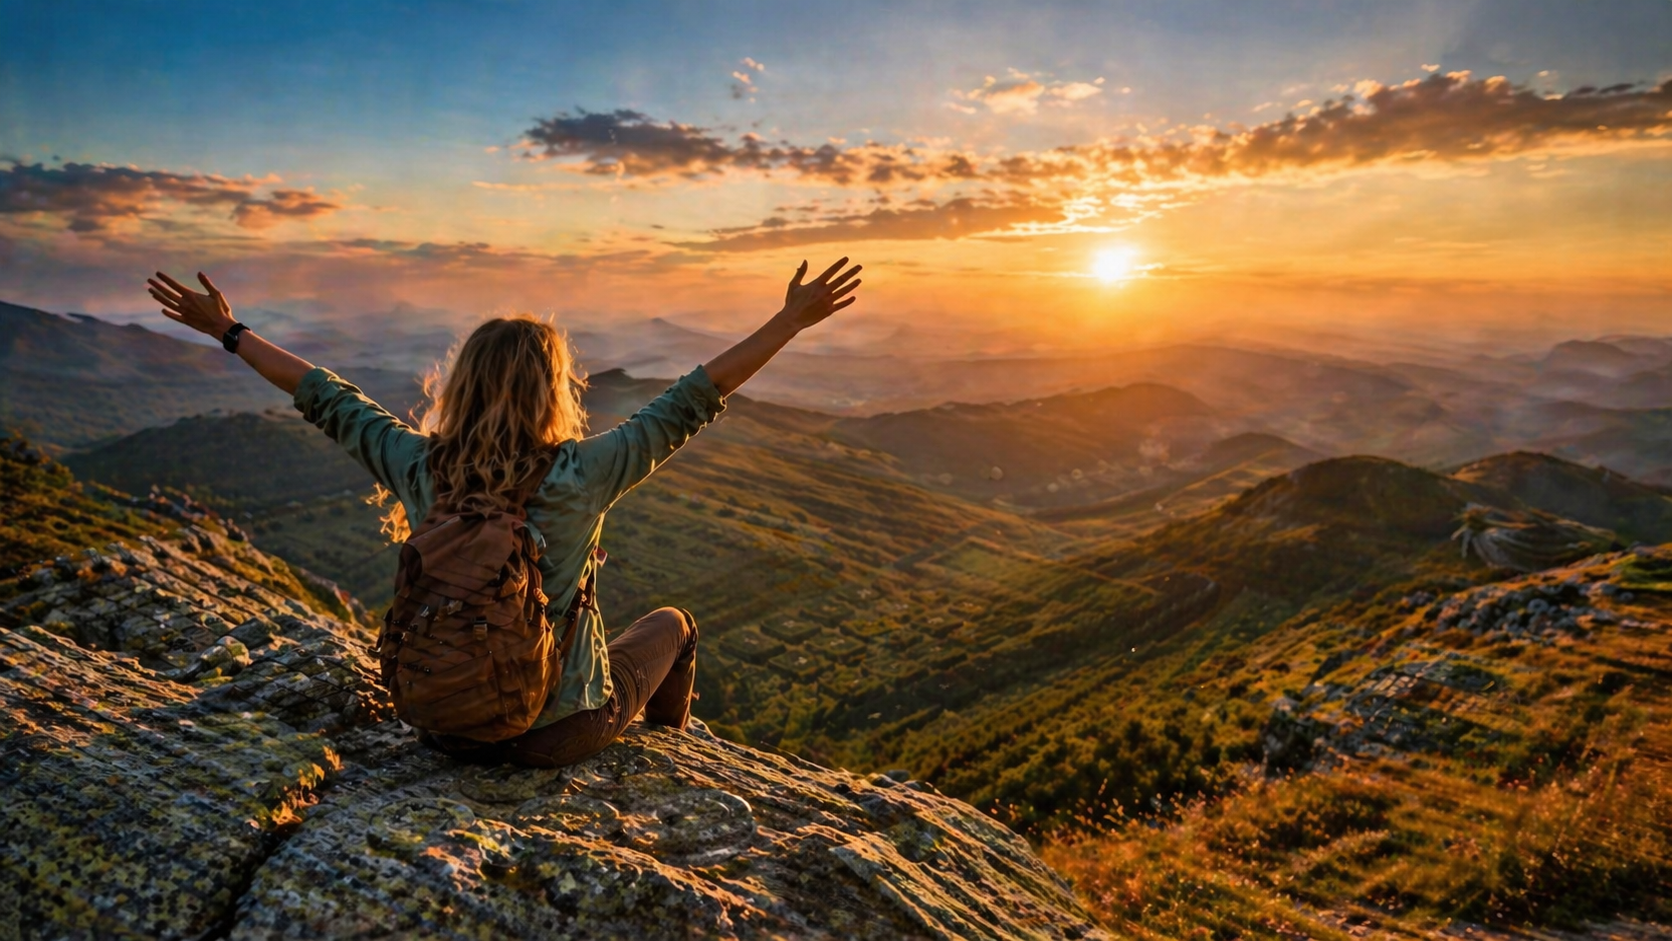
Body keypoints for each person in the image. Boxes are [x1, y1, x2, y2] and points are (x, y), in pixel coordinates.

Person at [144, 258, 861, 766]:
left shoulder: (419, 464)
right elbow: (698, 395)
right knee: (676, 624)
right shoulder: (585, 471)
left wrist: (230, 333)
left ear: (463, 385)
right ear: (553, 391)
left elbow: (325, 397)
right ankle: (670, 755)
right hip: (553, 735)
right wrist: (790, 320)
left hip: (442, 726)